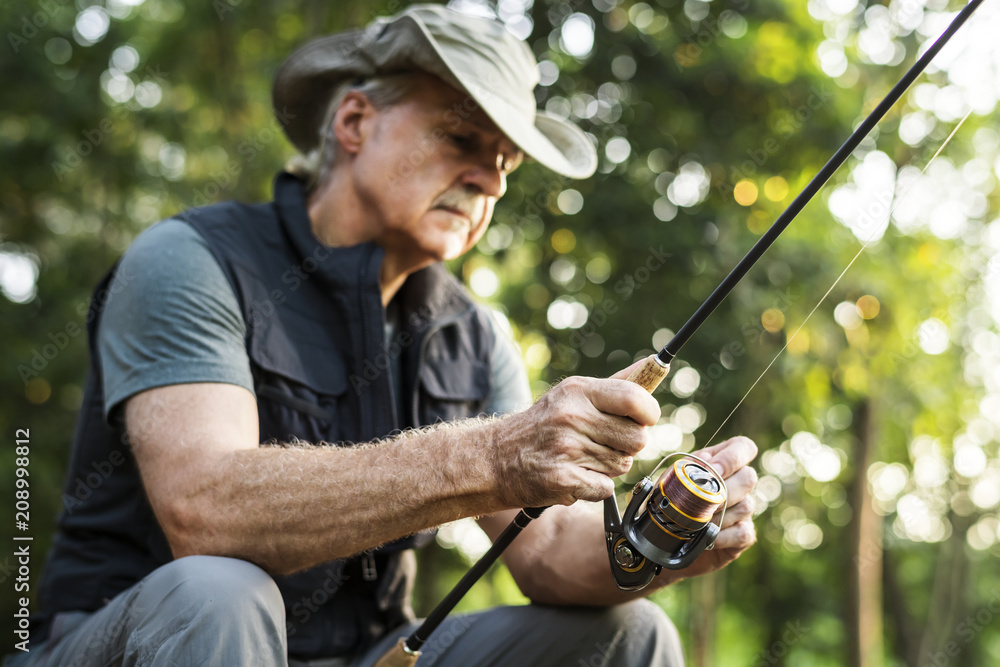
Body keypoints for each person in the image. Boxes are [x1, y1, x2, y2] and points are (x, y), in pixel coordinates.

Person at [17, 5, 758, 666]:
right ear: (353, 123)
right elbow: (205, 512)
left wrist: (661, 541)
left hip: (375, 652)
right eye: (462, 136)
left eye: (506, 162)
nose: (491, 181)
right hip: (137, 639)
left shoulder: (472, 335)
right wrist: (497, 453)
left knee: (632, 631)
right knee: (219, 590)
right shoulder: (191, 260)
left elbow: (552, 556)